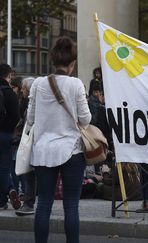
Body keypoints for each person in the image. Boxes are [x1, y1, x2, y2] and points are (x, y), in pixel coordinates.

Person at [26, 37, 91, 243]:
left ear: (53, 61)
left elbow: (30, 118)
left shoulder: (38, 83)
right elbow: (86, 119)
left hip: (43, 150)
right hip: (71, 150)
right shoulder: (76, 84)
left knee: (43, 203)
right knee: (71, 205)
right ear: (72, 64)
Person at [15, 77, 38, 216]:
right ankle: (30, 202)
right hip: (32, 141)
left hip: (32, 141)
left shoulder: (30, 104)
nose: (21, 91)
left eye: (23, 88)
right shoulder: (27, 102)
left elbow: (28, 121)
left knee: (30, 173)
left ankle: (29, 203)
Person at [0, 63, 21, 211]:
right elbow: (16, 116)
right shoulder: (10, 93)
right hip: (5, 134)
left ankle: (2, 201)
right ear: (8, 76)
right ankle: (10, 189)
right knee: (4, 168)